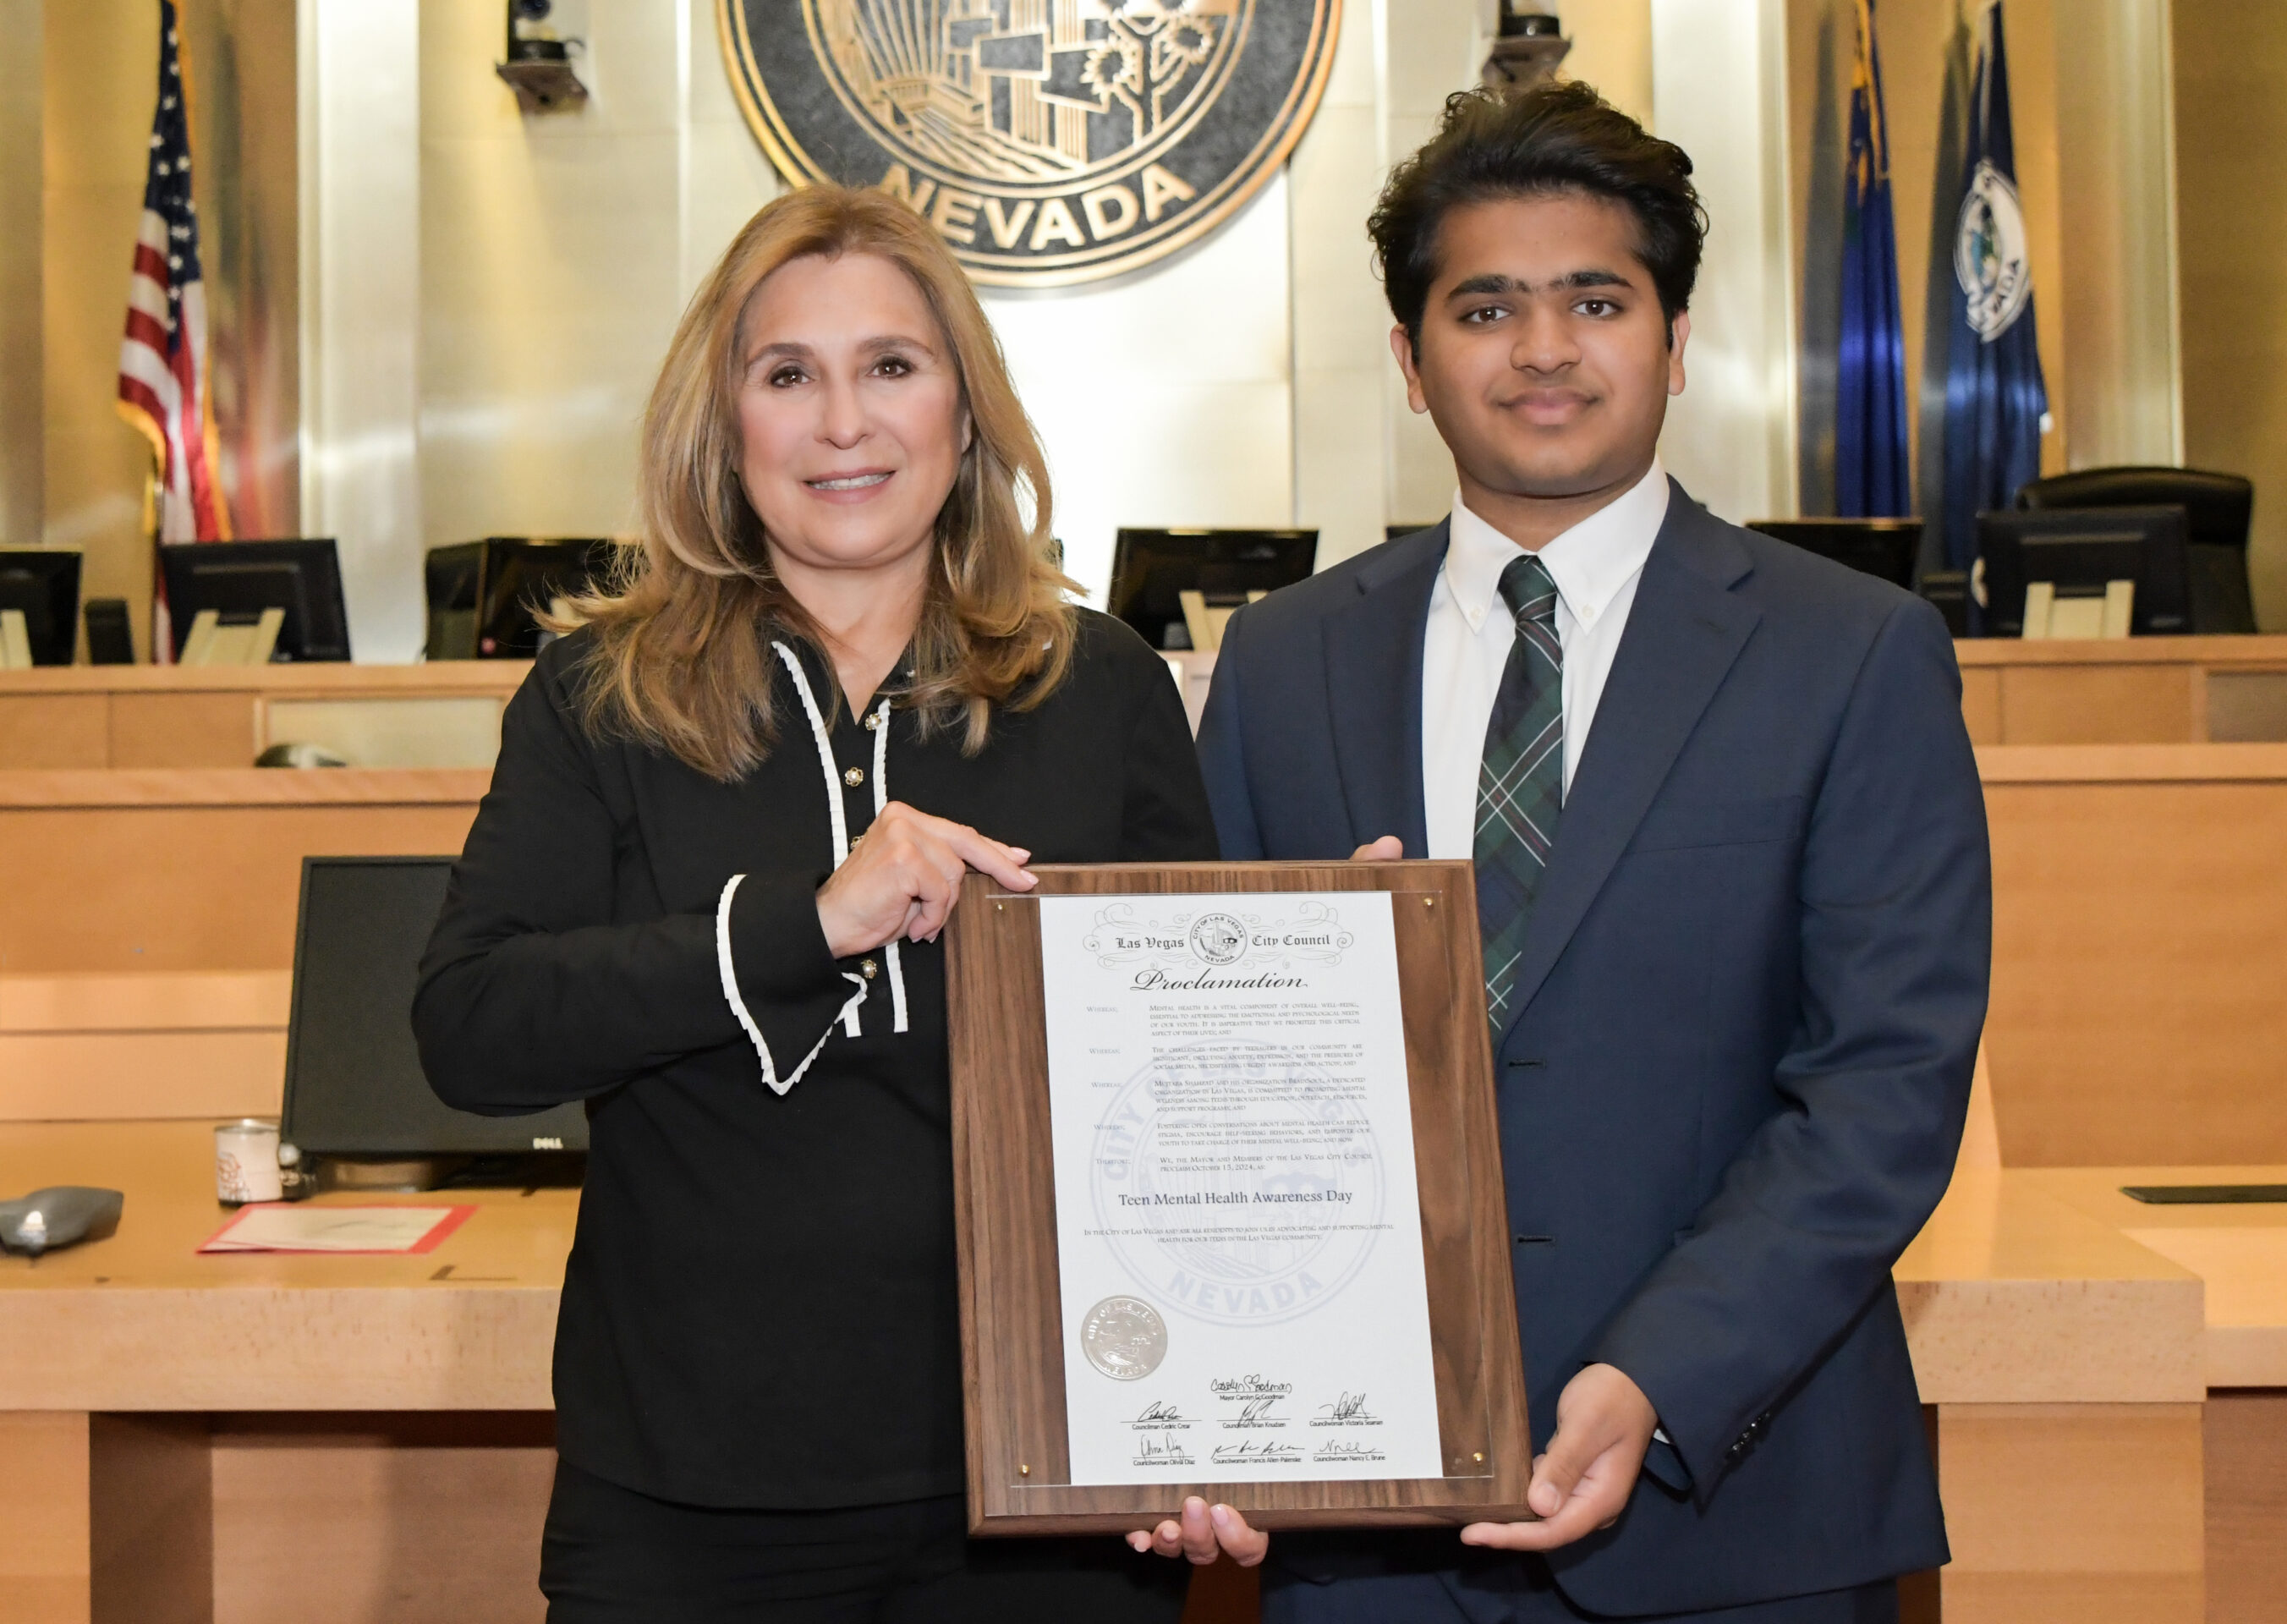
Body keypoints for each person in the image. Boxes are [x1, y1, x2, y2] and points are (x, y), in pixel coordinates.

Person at [1146, 82, 1992, 1622]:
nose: (1544, 349)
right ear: (1411, 363)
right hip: (1363, 1526)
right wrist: (1209, 1406)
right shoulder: (1283, 662)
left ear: (1674, 339)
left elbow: (1882, 1085)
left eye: (1596, 300)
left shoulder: (1854, 653)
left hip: (1738, 1511)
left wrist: (1656, 1375)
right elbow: (1210, 1092)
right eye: (1486, 308)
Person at [414, 185, 1210, 1622]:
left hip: (1042, 1482)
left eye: (892, 367)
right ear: (726, 426)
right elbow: (472, 1031)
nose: (845, 423)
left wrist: (1305, 978)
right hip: (685, 1497)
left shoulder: (1101, 688)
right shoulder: (599, 698)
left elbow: (1188, 1099)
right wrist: (804, 922)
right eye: (789, 376)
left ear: (965, 415)